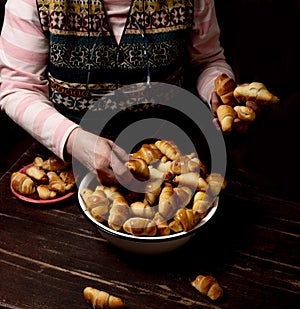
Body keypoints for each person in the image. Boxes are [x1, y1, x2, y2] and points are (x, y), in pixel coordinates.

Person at [0, 0, 234, 184]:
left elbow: (208, 60)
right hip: (70, 166)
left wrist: (221, 93)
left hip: (170, 164)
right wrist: (73, 140)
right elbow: (19, 88)